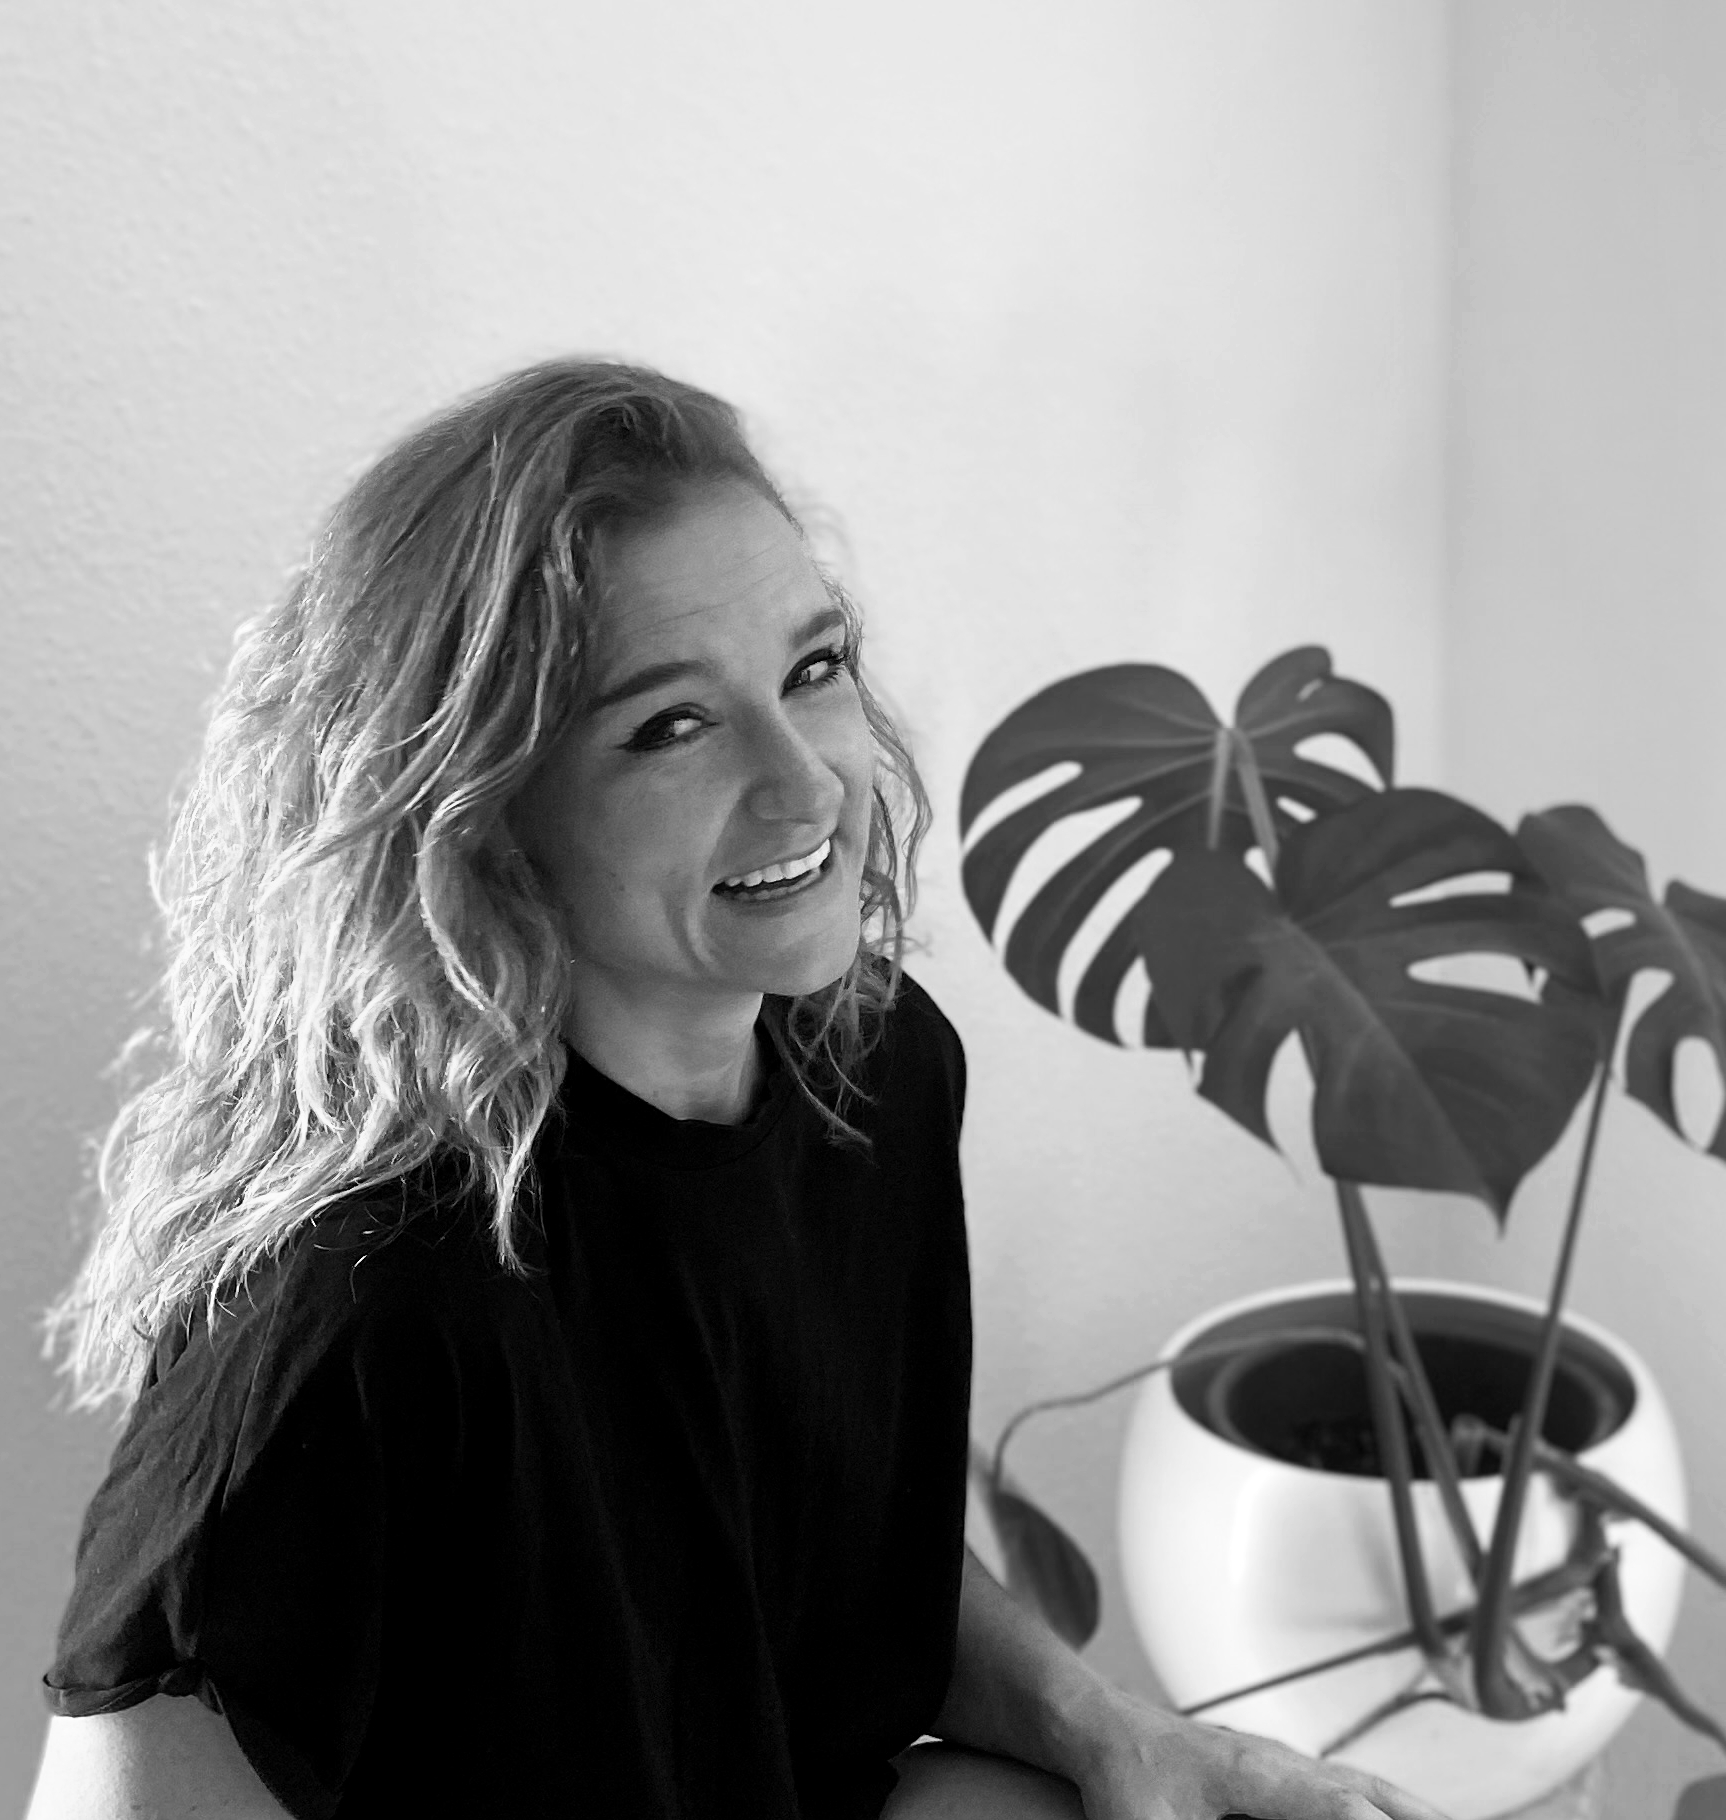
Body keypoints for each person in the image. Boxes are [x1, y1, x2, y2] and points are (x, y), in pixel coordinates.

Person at [27, 359, 1449, 1820]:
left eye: (811, 669)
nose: (807, 784)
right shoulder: (359, 1313)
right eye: (671, 726)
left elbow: (815, 1569)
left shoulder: (874, 1076)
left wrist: (1105, 1728)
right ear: (474, 816)